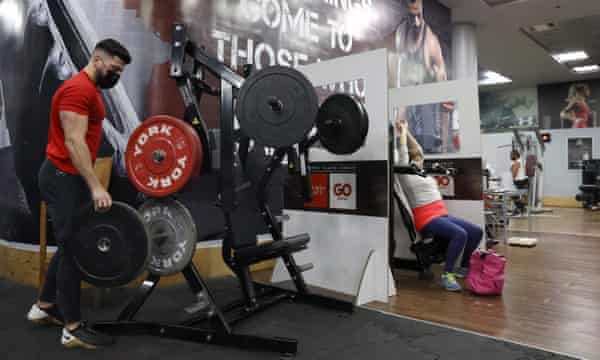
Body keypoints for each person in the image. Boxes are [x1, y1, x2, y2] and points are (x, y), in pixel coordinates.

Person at [26, 39, 131, 349]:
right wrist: (96, 185)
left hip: (69, 179)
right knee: (73, 251)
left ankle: (44, 306)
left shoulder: (89, 89)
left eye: (120, 72)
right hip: (62, 178)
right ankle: (72, 327)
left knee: (70, 242)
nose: (116, 75)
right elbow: (74, 142)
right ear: (98, 60)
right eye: (113, 69)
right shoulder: (78, 90)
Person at [395, 118, 482, 292]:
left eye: (421, 158)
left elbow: (416, 149)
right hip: (426, 218)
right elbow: (404, 151)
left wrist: (408, 131)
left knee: (476, 232)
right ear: (411, 160)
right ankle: (446, 276)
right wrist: (403, 131)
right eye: (418, 157)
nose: (421, 160)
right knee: (460, 234)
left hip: (441, 215)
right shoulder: (405, 173)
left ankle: (462, 268)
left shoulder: (423, 174)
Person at [511, 149, 528, 215]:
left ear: (515, 155)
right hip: (525, 180)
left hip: (519, 181)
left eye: (511, 155)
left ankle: (521, 208)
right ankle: (521, 209)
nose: (510, 157)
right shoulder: (523, 161)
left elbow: (514, 173)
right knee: (522, 196)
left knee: (513, 195)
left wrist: (512, 177)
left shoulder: (517, 162)